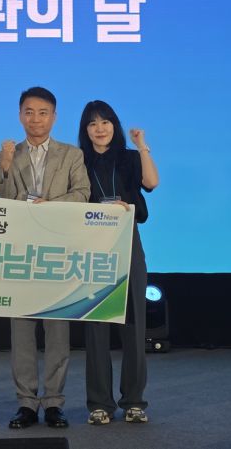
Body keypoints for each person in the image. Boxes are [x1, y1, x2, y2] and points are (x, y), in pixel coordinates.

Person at [0, 86, 90, 429]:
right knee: (21, 333)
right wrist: (5, 166)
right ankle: (26, 403)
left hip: (58, 252)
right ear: (20, 115)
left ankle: (53, 403)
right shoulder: (10, 153)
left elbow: (83, 194)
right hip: (20, 252)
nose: (35, 119)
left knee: (57, 332)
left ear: (54, 117)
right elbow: (2, 199)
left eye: (43, 112)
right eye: (29, 112)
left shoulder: (71, 154)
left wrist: (50, 207)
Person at [77, 100, 159, 425]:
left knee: (134, 325)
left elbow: (151, 183)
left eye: (105, 122)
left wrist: (142, 146)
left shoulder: (129, 158)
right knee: (96, 325)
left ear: (115, 125)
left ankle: (134, 401)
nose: (100, 128)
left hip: (128, 242)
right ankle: (99, 403)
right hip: (93, 246)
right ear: (85, 130)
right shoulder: (78, 160)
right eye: (93, 123)